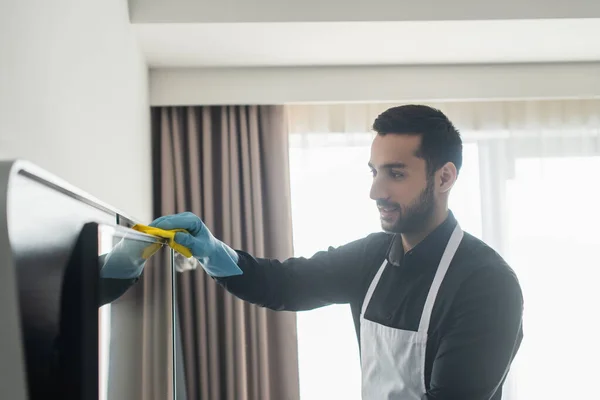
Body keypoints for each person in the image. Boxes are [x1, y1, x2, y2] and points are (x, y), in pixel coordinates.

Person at [149, 105, 524, 400]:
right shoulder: (371, 257)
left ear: (444, 178)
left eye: (395, 173)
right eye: (373, 172)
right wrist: (213, 252)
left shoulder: (487, 284)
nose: (376, 192)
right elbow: (283, 284)